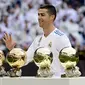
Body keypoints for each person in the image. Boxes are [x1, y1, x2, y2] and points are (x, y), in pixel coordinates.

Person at [3, 4, 71, 77]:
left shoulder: (61, 37)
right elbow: (25, 59)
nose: (39, 17)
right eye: (38, 15)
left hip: (58, 81)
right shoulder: (38, 39)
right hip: (42, 80)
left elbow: (70, 61)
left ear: (52, 17)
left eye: (42, 15)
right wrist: (12, 50)